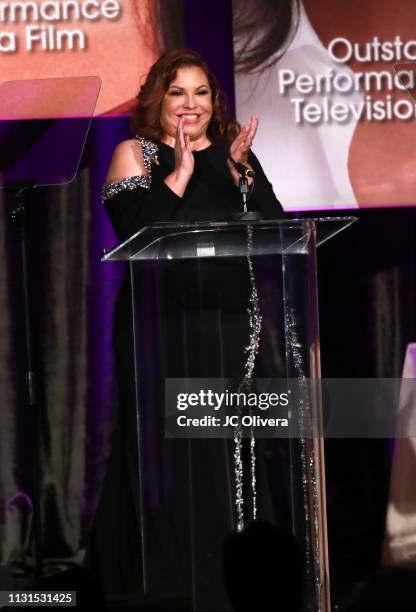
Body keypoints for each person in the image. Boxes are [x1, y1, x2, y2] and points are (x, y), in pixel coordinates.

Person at [86, 48, 285, 604]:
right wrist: (178, 176)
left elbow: (274, 228)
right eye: (179, 92)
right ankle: (172, 585)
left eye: (201, 93)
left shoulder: (235, 156)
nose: (191, 105)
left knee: (227, 449)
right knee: (174, 454)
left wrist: (243, 172)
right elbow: (133, 237)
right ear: (160, 98)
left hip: (228, 326)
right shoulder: (137, 155)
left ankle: (242, 583)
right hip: (161, 328)